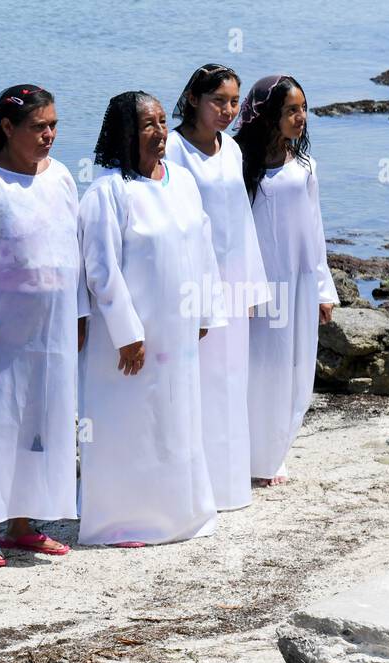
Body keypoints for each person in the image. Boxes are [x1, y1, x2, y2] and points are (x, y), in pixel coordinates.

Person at [77, 91, 225, 546]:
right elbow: (101, 271)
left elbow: (203, 246)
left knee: (176, 417)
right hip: (129, 337)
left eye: (163, 122)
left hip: (176, 329)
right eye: (148, 125)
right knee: (128, 421)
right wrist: (127, 334)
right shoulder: (107, 191)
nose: (160, 132)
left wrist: (204, 309)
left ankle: (181, 512)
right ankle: (120, 520)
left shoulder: (180, 180)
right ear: (126, 134)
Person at [0, 85, 81, 568]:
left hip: (54, 327)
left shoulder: (63, 176)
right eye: (38, 126)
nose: (49, 135)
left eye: (53, 125)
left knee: (41, 422)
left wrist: (81, 314)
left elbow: (76, 252)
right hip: (0, 329)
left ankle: (23, 525)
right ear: (7, 128)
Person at [166, 64, 271, 511]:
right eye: (218, 101)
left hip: (232, 282)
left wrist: (251, 288)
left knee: (230, 381)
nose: (228, 111)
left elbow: (242, 219)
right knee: (193, 382)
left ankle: (228, 485)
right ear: (193, 98)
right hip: (191, 283)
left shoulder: (230, 148)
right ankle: (192, 483)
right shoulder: (171, 148)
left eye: (234, 101)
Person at [233, 74, 338, 486]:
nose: (301, 117)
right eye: (291, 110)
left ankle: (273, 453)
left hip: (298, 283)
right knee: (259, 367)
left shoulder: (307, 166)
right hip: (256, 285)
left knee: (295, 366)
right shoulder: (242, 164)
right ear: (268, 115)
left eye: (303, 109)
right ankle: (250, 457)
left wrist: (323, 289)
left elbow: (315, 230)